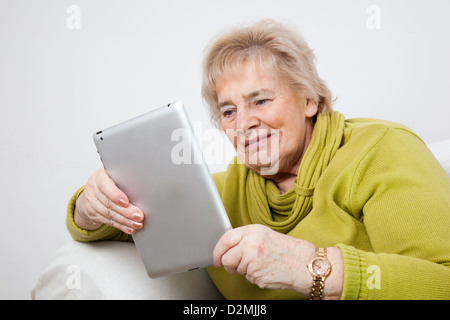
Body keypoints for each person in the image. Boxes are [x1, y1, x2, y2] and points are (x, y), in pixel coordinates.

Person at [67, 19, 450, 300]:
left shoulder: (381, 150)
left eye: (261, 100)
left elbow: (444, 282)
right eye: (229, 111)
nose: (245, 123)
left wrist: (310, 266)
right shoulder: (219, 194)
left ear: (309, 99)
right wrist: (90, 206)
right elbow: (115, 225)